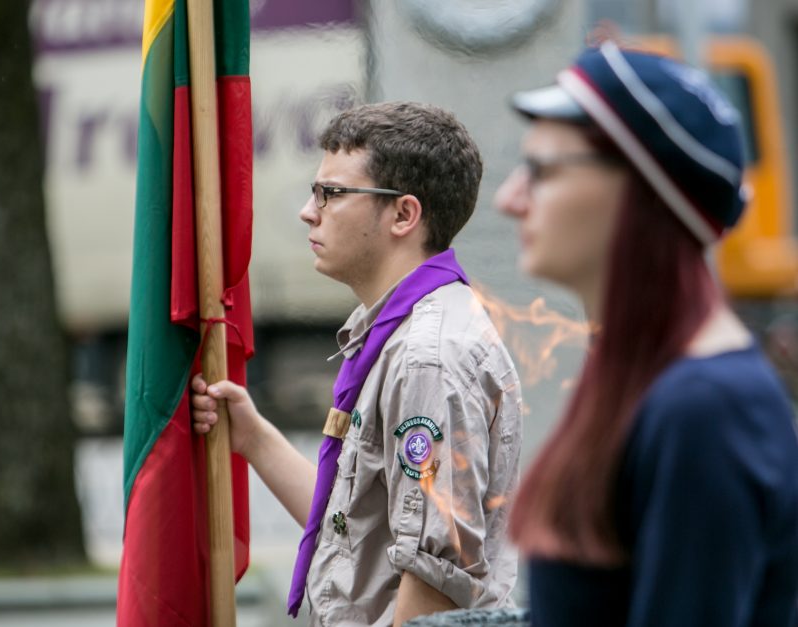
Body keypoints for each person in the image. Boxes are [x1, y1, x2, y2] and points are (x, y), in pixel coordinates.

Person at [495, 41, 798, 626]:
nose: (510, 199)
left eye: (540, 170)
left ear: (639, 189)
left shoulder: (707, 411)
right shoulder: (653, 381)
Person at [192, 101, 523, 626]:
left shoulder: (427, 359)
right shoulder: (398, 332)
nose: (309, 209)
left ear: (403, 215)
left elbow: (434, 582)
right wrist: (253, 438)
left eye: (332, 193)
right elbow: (357, 533)